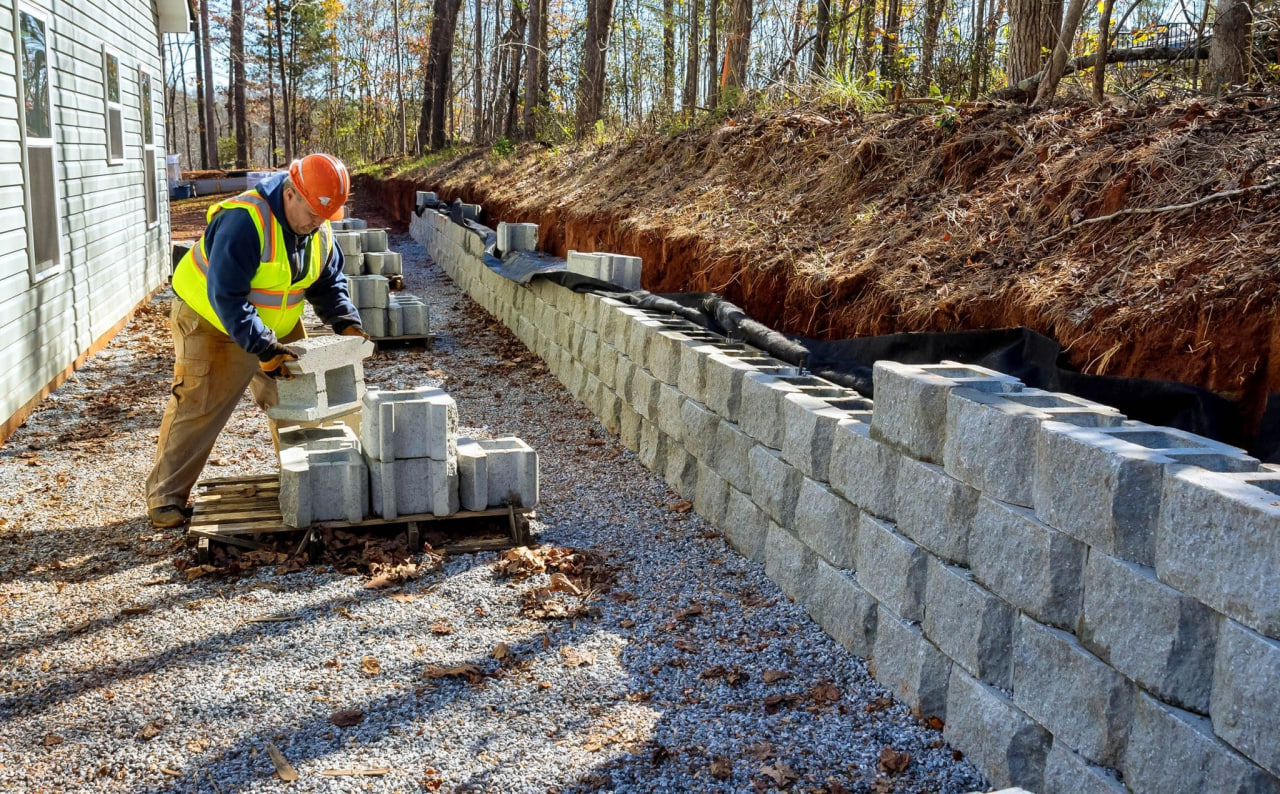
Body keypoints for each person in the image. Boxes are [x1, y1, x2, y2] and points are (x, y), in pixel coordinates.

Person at [145, 153, 368, 529]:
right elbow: (227, 297)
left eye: (324, 217)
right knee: (199, 405)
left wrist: (346, 321)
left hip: (275, 326)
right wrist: (263, 348)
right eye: (312, 213)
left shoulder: (319, 227)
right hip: (211, 320)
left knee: (302, 400)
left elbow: (328, 281)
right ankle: (166, 497)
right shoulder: (244, 221)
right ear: (291, 193)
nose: (317, 223)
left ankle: (307, 482)